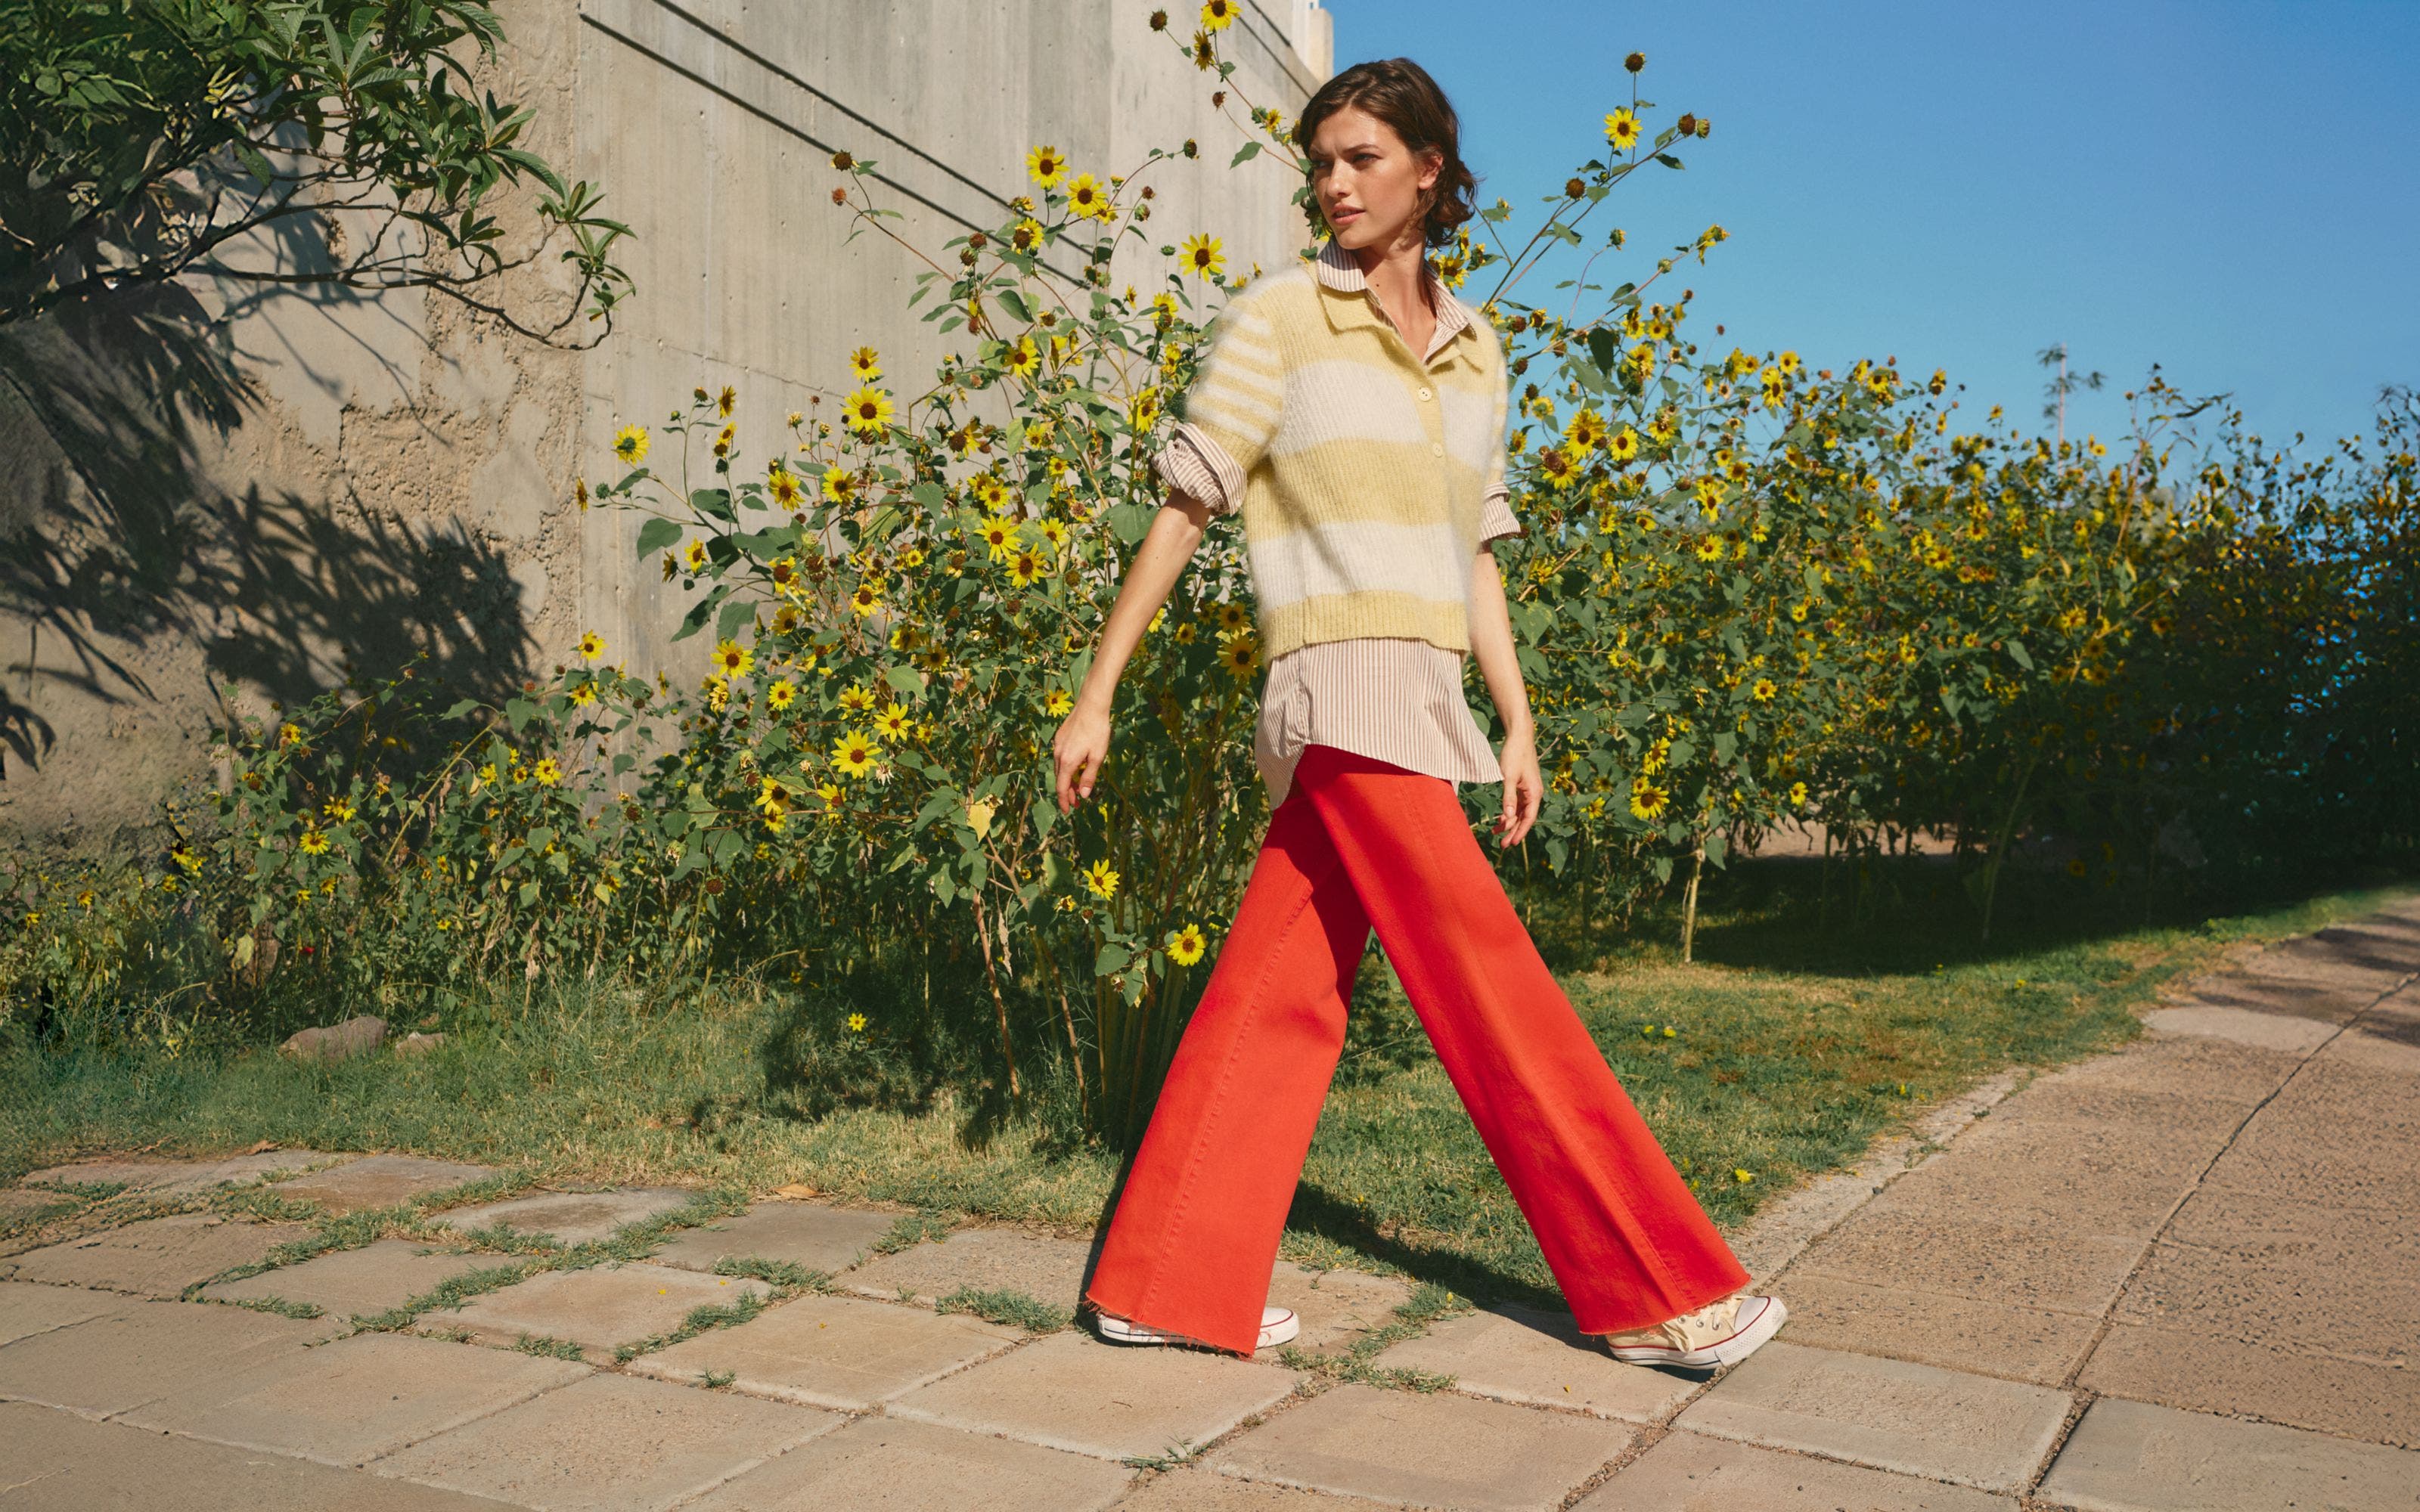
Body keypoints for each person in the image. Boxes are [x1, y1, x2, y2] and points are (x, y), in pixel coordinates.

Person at [1048, 57, 1786, 1373]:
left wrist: (1518, 721)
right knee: (1491, 986)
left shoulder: (1479, 349)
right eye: (1321, 162)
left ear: (1429, 171)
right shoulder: (1281, 318)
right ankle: (1655, 1283)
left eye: (1361, 159)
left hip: (1429, 694)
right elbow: (1185, 509)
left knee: (1282, 992)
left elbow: (1476, 552)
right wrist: (1095, 692)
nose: (1333, 184)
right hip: (1335, 691)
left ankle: (1163, 1276)